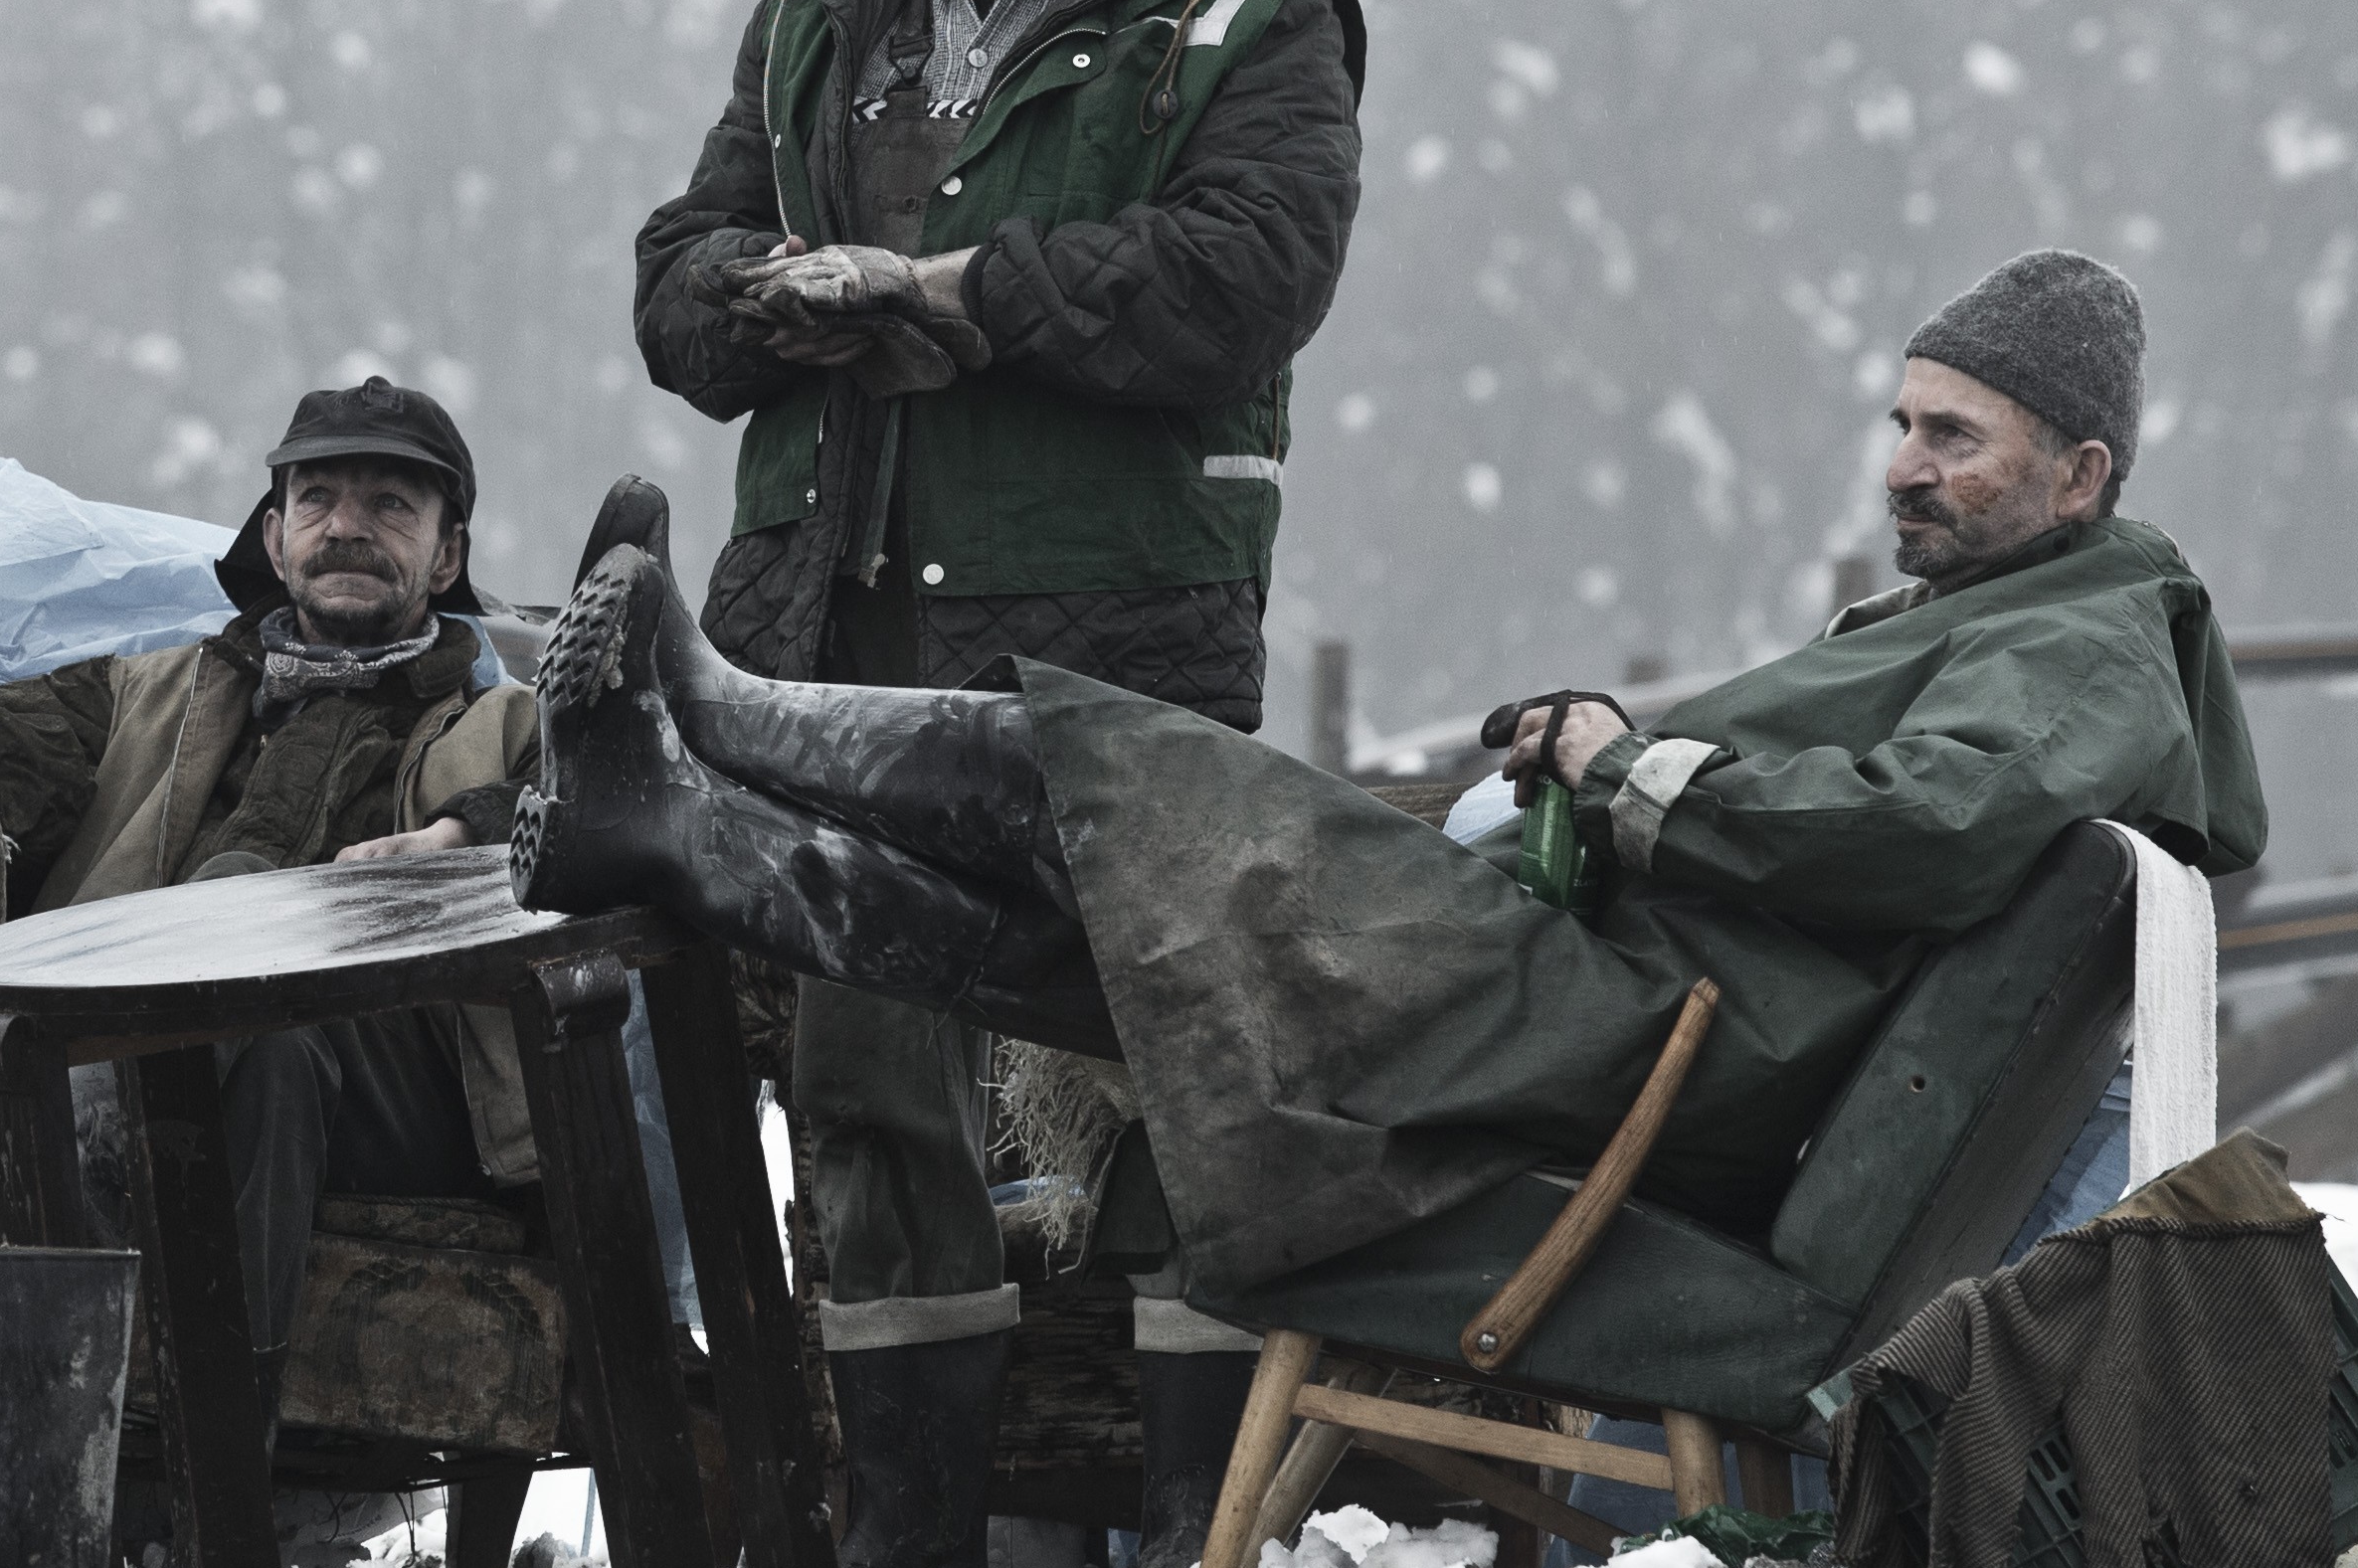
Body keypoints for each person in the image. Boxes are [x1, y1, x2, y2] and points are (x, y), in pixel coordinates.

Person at [521, 251, 2262, 1349]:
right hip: (1625, 1009)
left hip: (1629, 1029)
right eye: (1903, 423)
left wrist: (1620, 771)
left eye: (1954, 438)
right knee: (1116, 949)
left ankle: (719, 707)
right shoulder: (2015, 619)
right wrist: (1605, 767)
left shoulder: (2084, 646)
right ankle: (679, 830)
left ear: (2079, 474)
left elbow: (1916, 831)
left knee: (1136, 775)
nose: (1903, 468)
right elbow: (1878, 816)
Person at [624, 0, 1362, 1568]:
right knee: (868, 1101)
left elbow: (1240, 281)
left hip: (1104, 642)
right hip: (834, 622)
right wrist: (756, 301)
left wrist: (957, 296)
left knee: (1167, 1081)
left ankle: (1193, 1553)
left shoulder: (1251, 6)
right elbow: (678, 268)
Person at [0, 380, 542, 1422]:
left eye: (391, 505)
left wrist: (462, 832)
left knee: (240, 907)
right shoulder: (161, 686)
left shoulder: (501, 718)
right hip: (233, 1061)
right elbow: (9, 747)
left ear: (445, 557)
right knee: (268, 1054)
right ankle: (215, 1464)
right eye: (318, 500)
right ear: (275, 538)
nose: (347, 527)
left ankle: (68, 1128)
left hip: (404, 1092)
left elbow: (586, 801)